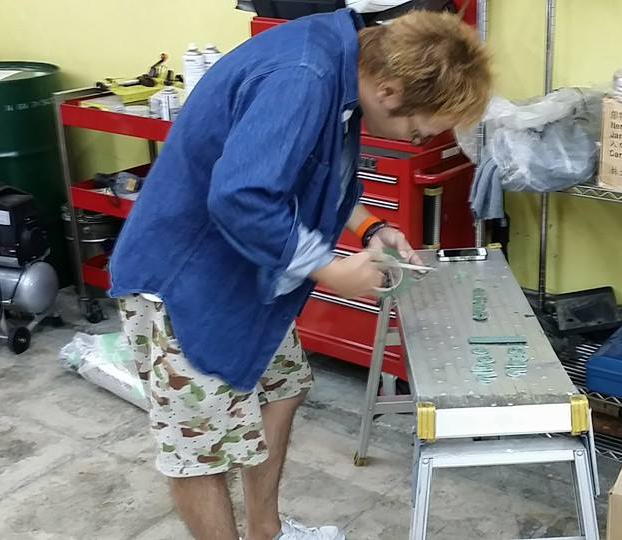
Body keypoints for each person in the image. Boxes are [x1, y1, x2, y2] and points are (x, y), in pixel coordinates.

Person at [108, 8, 491, 540]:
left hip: (249, 269)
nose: (418, 139)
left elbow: (316, 171)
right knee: (201, 449)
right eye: (418, 128)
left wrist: (372, 227)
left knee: (283, 389)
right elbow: (241, 197)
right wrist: (331, 270)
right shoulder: (303, 76)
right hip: (185, 277)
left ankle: (266, 531)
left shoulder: (344, 65)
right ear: (389, 91)